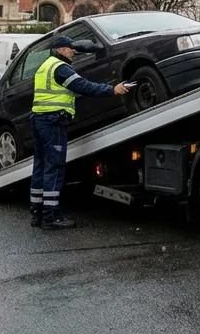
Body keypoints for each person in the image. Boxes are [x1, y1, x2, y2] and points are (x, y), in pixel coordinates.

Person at [31, 36, 133, 229]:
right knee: (55, 167)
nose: (73, 53)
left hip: (39, 120)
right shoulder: (60, 68)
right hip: (53, 121)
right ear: (61, 50)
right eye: (70, 49)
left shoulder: (45, 66)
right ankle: (51, 217)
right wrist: (113, 90)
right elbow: (83, 87)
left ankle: (37, 212)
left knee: (40, 166)